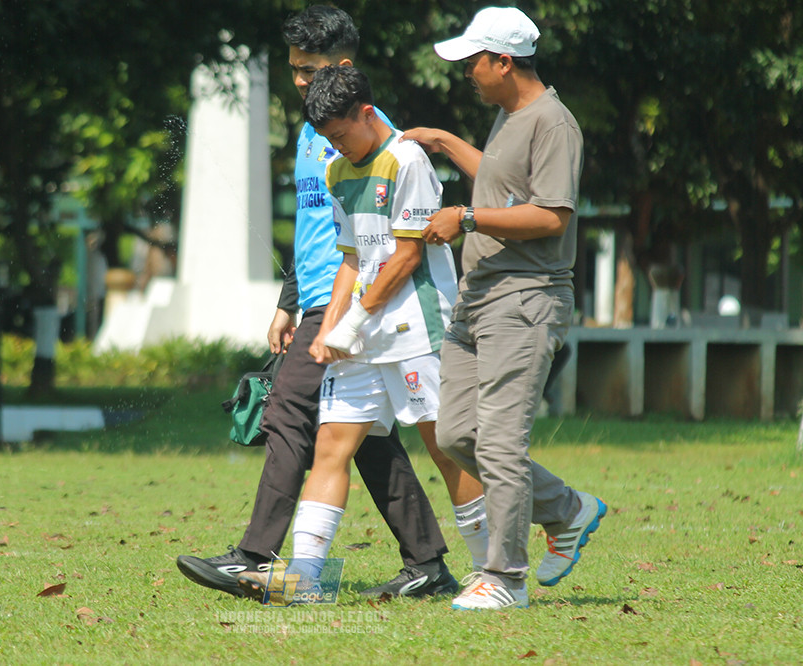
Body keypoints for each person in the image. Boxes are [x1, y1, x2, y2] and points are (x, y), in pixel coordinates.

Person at [177, 5, 485, 601]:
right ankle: (421, 562)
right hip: (331, 302)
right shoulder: (318, 133)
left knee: (293, 413)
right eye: (292, 69)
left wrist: (348, 315)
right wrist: (289, 301)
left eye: (308, 69)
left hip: (380, 312)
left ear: (344, 74)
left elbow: (399, 252)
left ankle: (254, 556)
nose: (298, 81)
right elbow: (323, 231)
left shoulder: (376, 140)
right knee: (358, 439)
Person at [402, 6, 606, 611]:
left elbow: (550, 216)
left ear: (504, 61)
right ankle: (568, 510)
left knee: (497, 444)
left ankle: (505, 579)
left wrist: (464, 218)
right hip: (478, 299)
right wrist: (442, 142)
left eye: (473, 61)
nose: (467, 71)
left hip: (525, 301)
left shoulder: (553, 123)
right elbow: (497, 178)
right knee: (457, 433)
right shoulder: (508, 117)